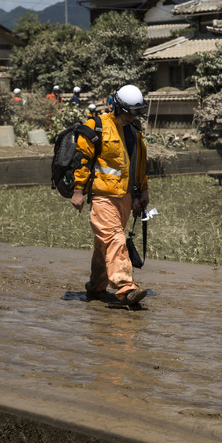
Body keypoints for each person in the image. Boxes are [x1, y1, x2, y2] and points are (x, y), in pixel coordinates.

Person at [70, 84, 150, 307]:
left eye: (136, 112)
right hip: (102, 196)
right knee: (115, 238)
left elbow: (138, 166)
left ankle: (96, 287)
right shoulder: (97, 127)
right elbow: (82, 160)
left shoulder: (135, 132)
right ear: (119, 107)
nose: (133, 116)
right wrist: (78, 191)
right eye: (130, 112)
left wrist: (143, 191)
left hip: (125, 197)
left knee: (103, 244)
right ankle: (125, 286)